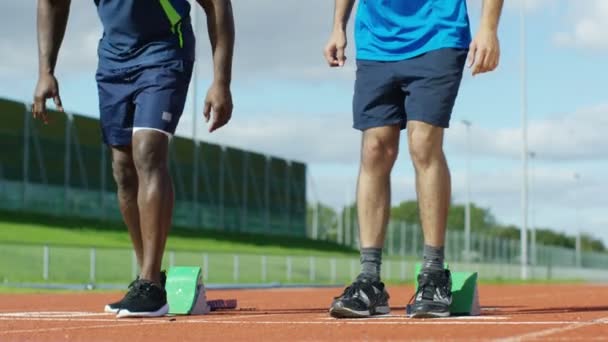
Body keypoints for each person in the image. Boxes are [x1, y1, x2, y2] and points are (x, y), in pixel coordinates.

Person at [33, 0, 235, 318]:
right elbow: (52, 3)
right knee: (123, 170)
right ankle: (148, 277)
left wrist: (221, 81)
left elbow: (217, 5)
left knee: (148, 150)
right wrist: (46, 71)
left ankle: (150, 284)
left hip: (166, 51)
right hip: (113, 61)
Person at [324, 0, 503, 318]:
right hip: (376, 40)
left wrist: (488, 27)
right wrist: (338, 25)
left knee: (422, 143)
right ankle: (369, 281)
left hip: (438, 34)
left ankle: (434, 274)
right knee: (375, 149)